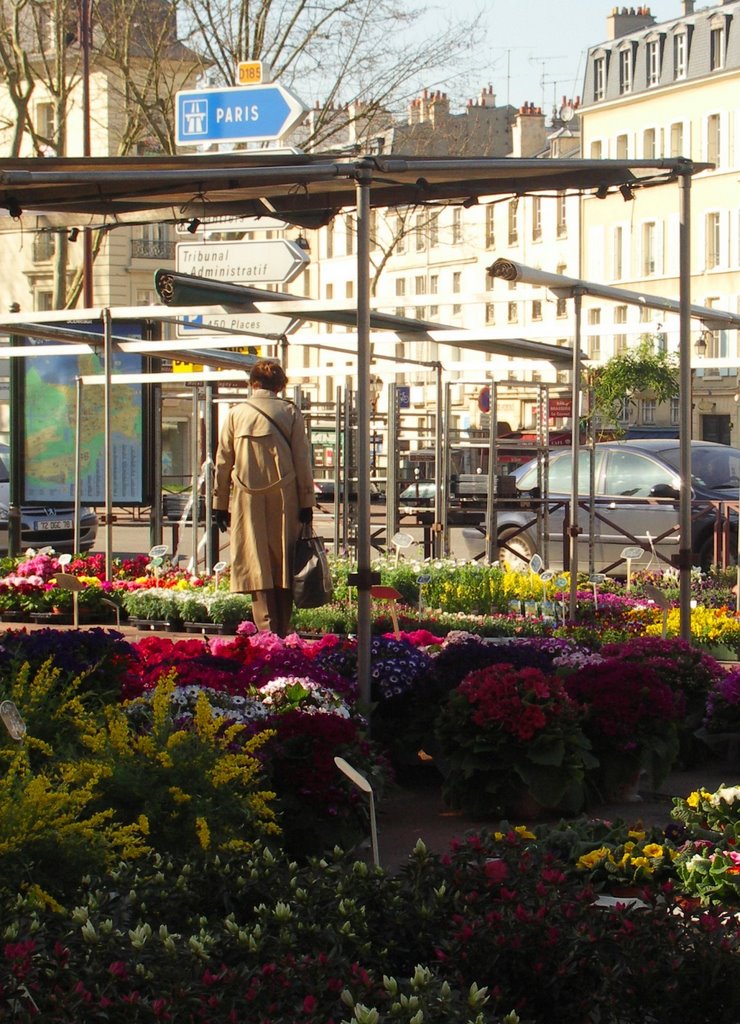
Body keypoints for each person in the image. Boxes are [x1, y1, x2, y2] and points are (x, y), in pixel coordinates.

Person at [212, 360, 315, 636]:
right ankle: (283, 629)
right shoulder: (290, 413)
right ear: (281, 385)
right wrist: (307, 502)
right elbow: (302, 460)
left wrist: (219, 505)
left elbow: (222, 462)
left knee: (256, 564)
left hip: (246, 500)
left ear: (252, 383)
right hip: (286, 499)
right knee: (284, 564)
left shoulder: (235, 414)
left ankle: (265, 631)